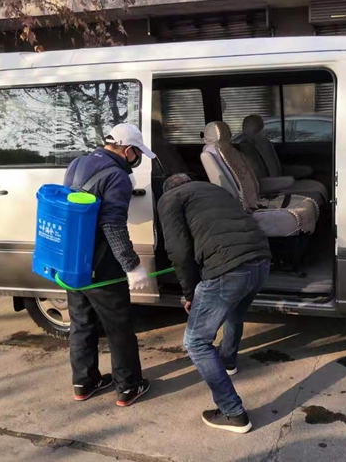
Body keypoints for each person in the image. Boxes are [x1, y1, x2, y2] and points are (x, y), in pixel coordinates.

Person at [157, 173, 271, 433]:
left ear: (168, 189)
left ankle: (233, 413)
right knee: (235, 313)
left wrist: (189, 294)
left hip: (229, 269)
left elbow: (179, 251)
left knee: (196, 342)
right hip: (261, 261)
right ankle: (228, 361)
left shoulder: (170, 199)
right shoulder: (215, 190)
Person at [63, 123, 153, 407]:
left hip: (72, 259)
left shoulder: (77, 163)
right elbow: (112, 224)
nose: (137, 158)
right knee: (118, 326)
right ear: (128, 151)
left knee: (81, 322)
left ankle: (83, 382)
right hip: (101, 265)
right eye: (137, 153)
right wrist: (132, 265)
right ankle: (128, 386)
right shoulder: (117, 176)